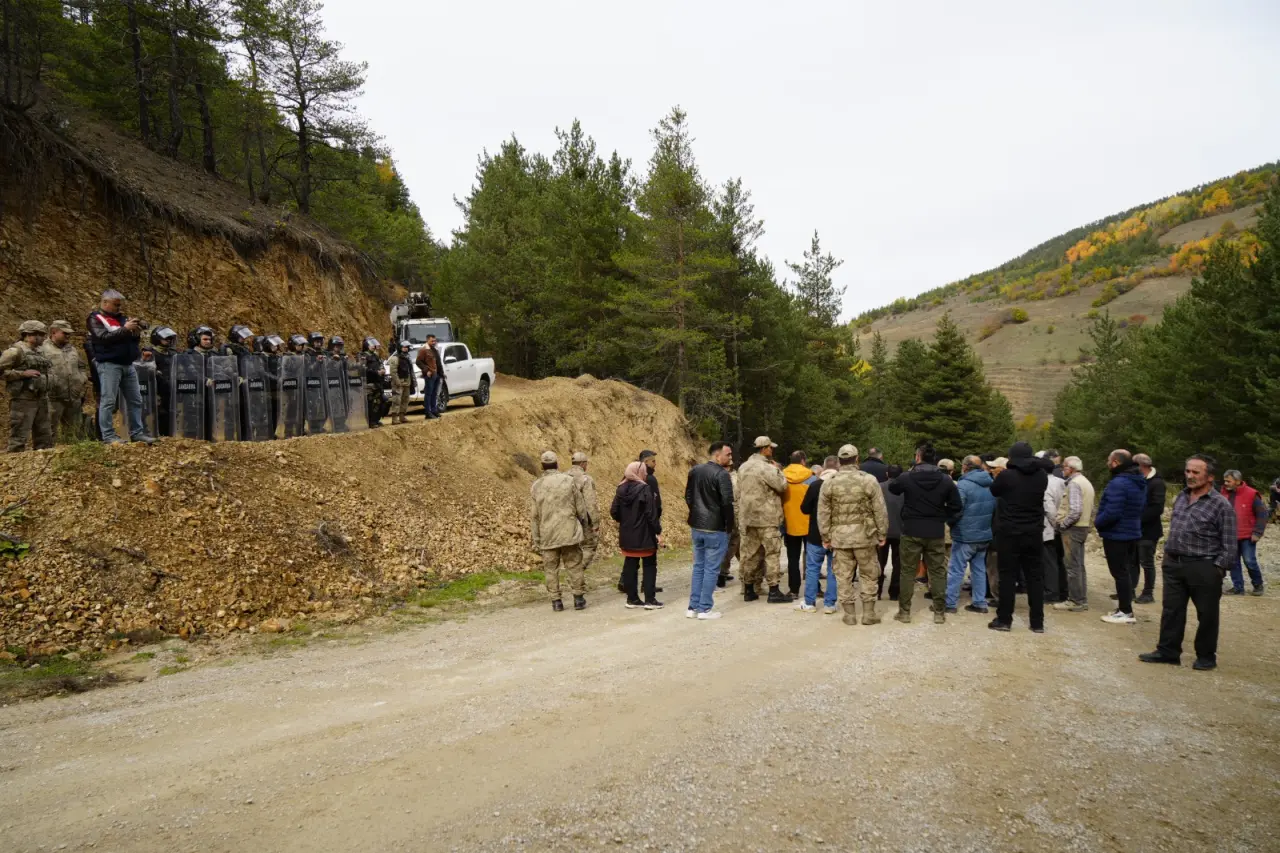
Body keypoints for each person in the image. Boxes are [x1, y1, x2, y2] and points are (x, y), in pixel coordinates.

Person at [1139, 454, 1237, 671]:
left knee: (1207, 614)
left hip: (1204, 566)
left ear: (1210, 477)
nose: (1190, 476)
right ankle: (1168, 651)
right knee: (1171, 611)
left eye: (1195, 472)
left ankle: (1206, 656)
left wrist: (1218, 568)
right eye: (1187, 471)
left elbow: (1230, 544)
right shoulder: (1181, 497)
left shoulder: (1221, 505)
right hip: (1174, 564)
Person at [889, 442, 962, 623]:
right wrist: (941, 516)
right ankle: (939, 612)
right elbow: (956, 506)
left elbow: (893, 488)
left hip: (912, 529)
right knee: (937, 571)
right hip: (935, 530)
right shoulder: (945, 480)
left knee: (907, 572)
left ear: (918, 457)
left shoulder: (907, 477)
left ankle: (904, 612)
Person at [819, 445, 889, 625]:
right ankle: (868, 614)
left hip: (840, 537)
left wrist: (825, 536)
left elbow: (823, 512)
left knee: (843, 576)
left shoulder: (830, 481)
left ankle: (849, 615)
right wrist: (882, 533)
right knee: (869, 574)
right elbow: (879, 510)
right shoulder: (868, 480)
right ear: (857, 459)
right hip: (865, 536)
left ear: (839, 460)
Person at [988, 442, 1054, 633]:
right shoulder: (1041, 476)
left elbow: (994, 490)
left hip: (1009, 531)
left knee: (1007, 576)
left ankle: (1004, 619)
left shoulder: (1007, 476)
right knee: (1035, 577)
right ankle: (1037, 622)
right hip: (1033, 531)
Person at [86, 290, 153, 445]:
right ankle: (108, 436)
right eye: (116, 304)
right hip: (109, 364)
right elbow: (102, 338)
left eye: (119, 304)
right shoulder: (95, 318)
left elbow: (130, 340)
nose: (118, 307)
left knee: (136, 399)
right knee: (108, 401)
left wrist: (135, 331)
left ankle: (137, 433)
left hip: (128, 364)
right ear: (105, 303)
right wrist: (125, 329)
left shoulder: (122, 319)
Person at [530, 450, 589, 612]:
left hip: (547, 535)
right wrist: (583, 527)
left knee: (550, 569)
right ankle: (578, 598)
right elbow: (581, 509)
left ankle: (556, 602)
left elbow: (534, 517)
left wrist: (537, 538)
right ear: (557, 464)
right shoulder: (568, 481)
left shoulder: (536, 486)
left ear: (542, 466)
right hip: (569, 532)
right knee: (574, 565)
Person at [1094, 449, 1147, 625]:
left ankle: (1125, 611)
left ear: (1115, 462)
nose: (1107, 464)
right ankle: (1124, 608)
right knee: (1125, 571)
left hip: (1117, 534)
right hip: (1132, 531)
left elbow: (1112, 511)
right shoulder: (1137, 480)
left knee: (1120, 573)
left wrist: (1098, 522)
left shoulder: (1119, 483)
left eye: (1109, 460)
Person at [737, 436, 792, 603]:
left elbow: (738, 491)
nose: (772, 450)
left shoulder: (743, 467)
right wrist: (778, 470)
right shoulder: (766, 468)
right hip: (767, 518)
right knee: (772, 554)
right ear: (764, 449)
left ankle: (748, 589)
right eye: (770, 448)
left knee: (750, 555)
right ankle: (774, 591)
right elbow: (782, 486)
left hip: (748, 518)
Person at [684, 442, 735, 619]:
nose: (731, 458)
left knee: (699, 566)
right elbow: (727, 503)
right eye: (728, 454)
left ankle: (693, 607)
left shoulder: (695, 470)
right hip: (715, 527)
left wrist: (696, 513)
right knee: (711, 569)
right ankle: (705, 608)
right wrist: (730, 526)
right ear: (717, 455)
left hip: (697, 525)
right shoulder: (722, 475)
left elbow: (688, 497)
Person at [611, 460, 664, 610]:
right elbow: (651, 513)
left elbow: (613, 511)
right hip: (644, 534)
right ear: (639, 472)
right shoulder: (645, 489)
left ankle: (632, 598)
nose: (646, 475)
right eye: (644, 472)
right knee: (649, 565)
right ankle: (650, 599)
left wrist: (626, 521)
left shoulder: (620, 488)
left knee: (630, 565)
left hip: (627, 534)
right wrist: (657, 531)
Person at [947, 455, 995, 614]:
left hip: (965, 534)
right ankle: (980, 602)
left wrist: (950, 523)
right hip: (984, 533)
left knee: (956, 569)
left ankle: (950, 603)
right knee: (979, 569)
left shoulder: (963, 485)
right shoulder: (991, 483)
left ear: (966, 467)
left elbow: (956, 509)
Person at [2, 321, 54, 453]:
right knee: (19, 437)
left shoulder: (40, 351)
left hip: (42, 398)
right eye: (41, 335)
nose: (43, 338)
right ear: (30, 335)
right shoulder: (14, 352)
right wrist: (22, 374)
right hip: (23, 399)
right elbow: (2, 371)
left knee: (45, 438)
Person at [1053, 456, 1095, 613]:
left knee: (1072, 566)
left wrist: (1063, 525)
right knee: (1079, 565)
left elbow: (1075, 510)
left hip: (1073, 528)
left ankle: (1076, 600)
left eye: (1064, 467)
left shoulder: (1075, 484)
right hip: (1082, 527)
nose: (1062, 469)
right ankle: (1081, 599)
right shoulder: (1085, 482)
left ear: (1071, 468)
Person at [798, 455, 839, 613]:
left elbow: (804, 508)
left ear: (823, 467)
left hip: (815, 534)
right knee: (833, 569)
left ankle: (809, 603)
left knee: (813, 568)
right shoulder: (840, 486)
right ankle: (830, 604)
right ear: (838, 467)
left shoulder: (815, 485)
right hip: (836, 535)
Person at [40, 320, 88, 443]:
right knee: (49, 431)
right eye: (64, 333)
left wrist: (82, 378)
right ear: (54, 332)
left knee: (74, 431)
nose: (68, 336)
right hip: (53, 397)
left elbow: (81, 366)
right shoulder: (42, 349)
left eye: (69, 333)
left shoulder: (72, 349)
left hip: (74, 396)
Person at [1220, 470, 1267, 596]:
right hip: (1229, 535)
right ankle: (1238, 587)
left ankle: (1258, 584)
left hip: (1248, 535)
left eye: (1228, 481)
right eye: (1225, 480)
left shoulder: (1252, 494)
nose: (1225, 483)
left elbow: (1262, 514)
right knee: (1233, 562)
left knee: (1249, 560)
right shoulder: (1222, 493)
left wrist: (1257, 532)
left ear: (1238, 481)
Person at [782, 450, 816, 598]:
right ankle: (814, 588)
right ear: (803, 460)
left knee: (792, 559)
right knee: (812, 559)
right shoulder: (811, 477)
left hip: (789, 524)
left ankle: (794, 590)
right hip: (809, 523)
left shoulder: (782, 476)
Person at [1134, 453, 1165, 604]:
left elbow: (1157, 508)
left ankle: (1148, 592)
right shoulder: (1139, 480)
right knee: (1132, 561)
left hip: (1148, 530)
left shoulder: (1156, 483)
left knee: (1147, 562)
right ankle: (1130, 589)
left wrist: (1137, 520)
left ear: (1141, 466)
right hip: (1135, 530)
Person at [1041, 454, 1067, 606]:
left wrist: (1056, 525)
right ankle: (1063, 589)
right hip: (1061, 525)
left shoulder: (1045, 484)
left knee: (1049, 561)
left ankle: (1051, 592)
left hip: (1050, 528)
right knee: (1059, 560)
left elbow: (1049, 508)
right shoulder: (1061, 482)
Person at [568, 451, 601, 572]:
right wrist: (595, 523)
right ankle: (577, 572)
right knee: (590, 545)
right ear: (582, 464)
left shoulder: (563, 477)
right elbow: (590, 503)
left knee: (572, 548)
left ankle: (573, 571)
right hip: (583, 519)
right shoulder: (585, 479)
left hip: (566, 519)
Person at [878, 464, 904, 599]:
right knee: (898, 563)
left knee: (879, 562)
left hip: (882, 530)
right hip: (901, 530)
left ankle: (877, 591)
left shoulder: (879, 486)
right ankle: (895, 592)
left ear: (887, 474)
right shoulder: (905, 488)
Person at [147, 326, 178, 437]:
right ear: (157, 339)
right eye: (166, 338)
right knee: (159, 415)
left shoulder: (173, 354)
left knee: (172, 414)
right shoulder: (149, 353)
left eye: (170, 338)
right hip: (155, 390)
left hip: (171, 390)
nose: (169, 340)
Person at [717, 454, 739, 588]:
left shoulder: (736, 477)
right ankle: (721, 572)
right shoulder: (720, 477)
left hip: (734, 512)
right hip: (725, 513)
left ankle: (723, 571)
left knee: (734, 543)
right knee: (728, 544)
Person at [386, 341, 416, 424]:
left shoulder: (408, 357)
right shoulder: (395, 358)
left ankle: (402, 416)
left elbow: (411, 371)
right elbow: (393, 372)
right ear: (400, 348)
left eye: (407, 347)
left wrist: (413, 381)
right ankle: (394, 418)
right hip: (399, 383)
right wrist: (397, 382)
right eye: (404, 347)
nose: (406, 348)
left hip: (407, 382)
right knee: (397, 400)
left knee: (405, 400)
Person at [361, 338, 385, 427]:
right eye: (371, 344)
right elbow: (363, 369)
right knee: (369, 403)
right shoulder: (363, 356)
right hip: (369, 383)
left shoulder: (375, 356)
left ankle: (376, 420)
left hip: (377, 383)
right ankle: (370, 422)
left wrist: (382, 370)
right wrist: (376, 372)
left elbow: (381, 364)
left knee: (378, 402)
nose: (373, 346)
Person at [417, 334, 442, 419]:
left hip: (436, 374)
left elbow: (438, 362)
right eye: (432, 341)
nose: (434, 342)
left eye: (434, 341)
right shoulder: (424, 350)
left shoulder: (435, 349)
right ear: (427, 340)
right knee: (428, 394)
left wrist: (441, 374)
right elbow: (418, 362)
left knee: (434, 394)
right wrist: (426, 370)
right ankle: (428, 412)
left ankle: (434, 410)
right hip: (430, 375)